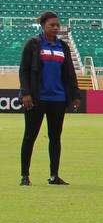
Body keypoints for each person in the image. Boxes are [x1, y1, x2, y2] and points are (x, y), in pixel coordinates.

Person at [18, 11, 81, 186]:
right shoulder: (33, 44)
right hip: (36, 98)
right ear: (43, 25)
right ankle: (25, 176)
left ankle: (54, 176)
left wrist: (75, 95)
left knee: (55, 137)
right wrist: (26, 93)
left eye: (57, 25)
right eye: (51, 25)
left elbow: (70, 72)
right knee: (30, 136)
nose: (55, 28)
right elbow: (24, 70)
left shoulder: (63, 46)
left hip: (58, 99)